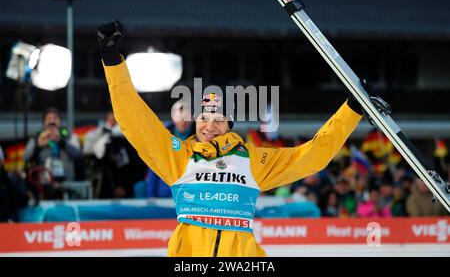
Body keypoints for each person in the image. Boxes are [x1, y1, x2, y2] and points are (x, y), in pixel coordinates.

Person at [97, 20, 386, 257]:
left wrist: (352, 110)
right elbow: (135, 121)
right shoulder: (178, 157)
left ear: (230, 124)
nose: (209, 125)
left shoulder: (253, 159)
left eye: (218, 119)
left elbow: (313, 155)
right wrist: (112, 61)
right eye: (204, 117)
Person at [23, 108, 81, 199]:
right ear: (43, 123)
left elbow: (77, 154)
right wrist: (38, 145)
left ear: (60, 122)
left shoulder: (68, 136)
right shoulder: (37, 138)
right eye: (48, 119)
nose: (52, 121)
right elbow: (25, 157)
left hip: (67, 185)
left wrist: (61, 142)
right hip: (44, 184)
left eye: (55, 118)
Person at [146, 100, 196, 198]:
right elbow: (154, 170)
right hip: (165, 194)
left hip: (192, 196)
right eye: (179, 117)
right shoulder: (162, 139)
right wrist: (151, 198)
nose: (182, 121)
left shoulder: (202, 138)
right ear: (173, 118)